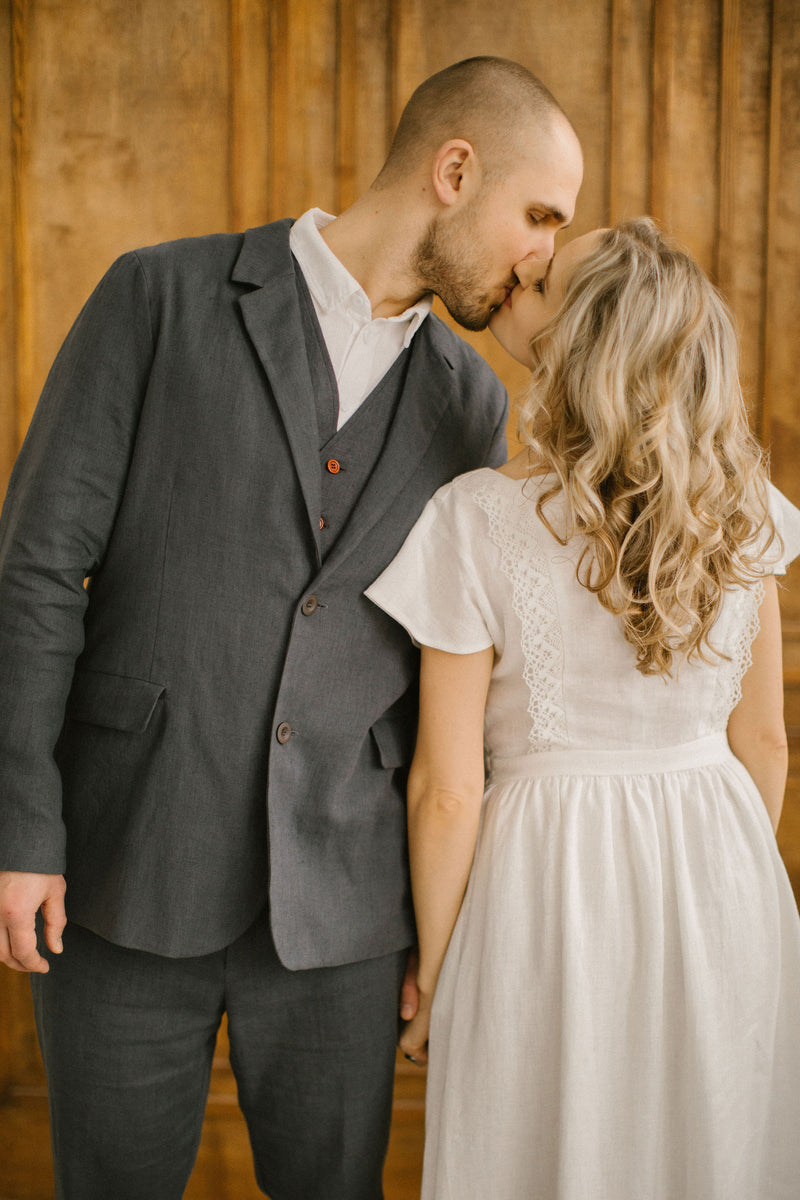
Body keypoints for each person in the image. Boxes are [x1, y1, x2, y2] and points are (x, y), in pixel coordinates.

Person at [0, 57, 583, 1200]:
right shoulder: (156, 297)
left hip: (349, 914)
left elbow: (452, 678)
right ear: (453, 170)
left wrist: (439, 923)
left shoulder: (472, 404)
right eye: (537, 213)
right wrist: (22, 824)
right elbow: (33, 569)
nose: (542, 253)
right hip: (120, 870)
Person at [366, 218, 800, 1199]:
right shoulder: (745, 509)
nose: (523, 268)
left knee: (539, 1142)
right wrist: (718, 882)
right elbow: (762, 740)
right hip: (718, 861)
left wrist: (437, 970)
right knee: (708, 1143)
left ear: (575, 347)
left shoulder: (474, 517)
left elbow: (445, 789)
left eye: (542, 277)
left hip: (545, 877)